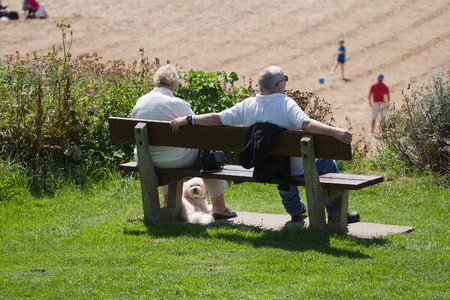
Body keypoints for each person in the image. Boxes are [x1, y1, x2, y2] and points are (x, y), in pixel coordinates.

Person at [170, 66, 360, 223]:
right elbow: (307, 124)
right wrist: (334, 131)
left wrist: (189, 119)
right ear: (279, 85)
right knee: (328, 164)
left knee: (282, 164)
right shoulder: (286, 103)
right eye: (285, 79)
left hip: (267, 165)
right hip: (295, 166)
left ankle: (296, 210)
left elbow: (217, 118)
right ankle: (336, 214)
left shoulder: (247, 105)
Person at [130, 64, 236, 220]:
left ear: (156, 82)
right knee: (208, 156)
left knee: (164, 151)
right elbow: (196, 130)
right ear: (174, 84)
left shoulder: (141, 101)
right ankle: (219, 207)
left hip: (145, 158)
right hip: (174, 160)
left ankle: (168, 203)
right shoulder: (178, 104)